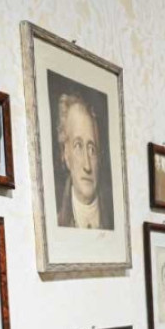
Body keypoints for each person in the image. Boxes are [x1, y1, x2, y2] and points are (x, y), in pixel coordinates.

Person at [56, 93, 113, 230]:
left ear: (99, 158)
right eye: (78, 146)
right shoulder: (57, 221)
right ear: (65, 153)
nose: (87, 166)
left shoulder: (112, 219)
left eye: (92, 149)